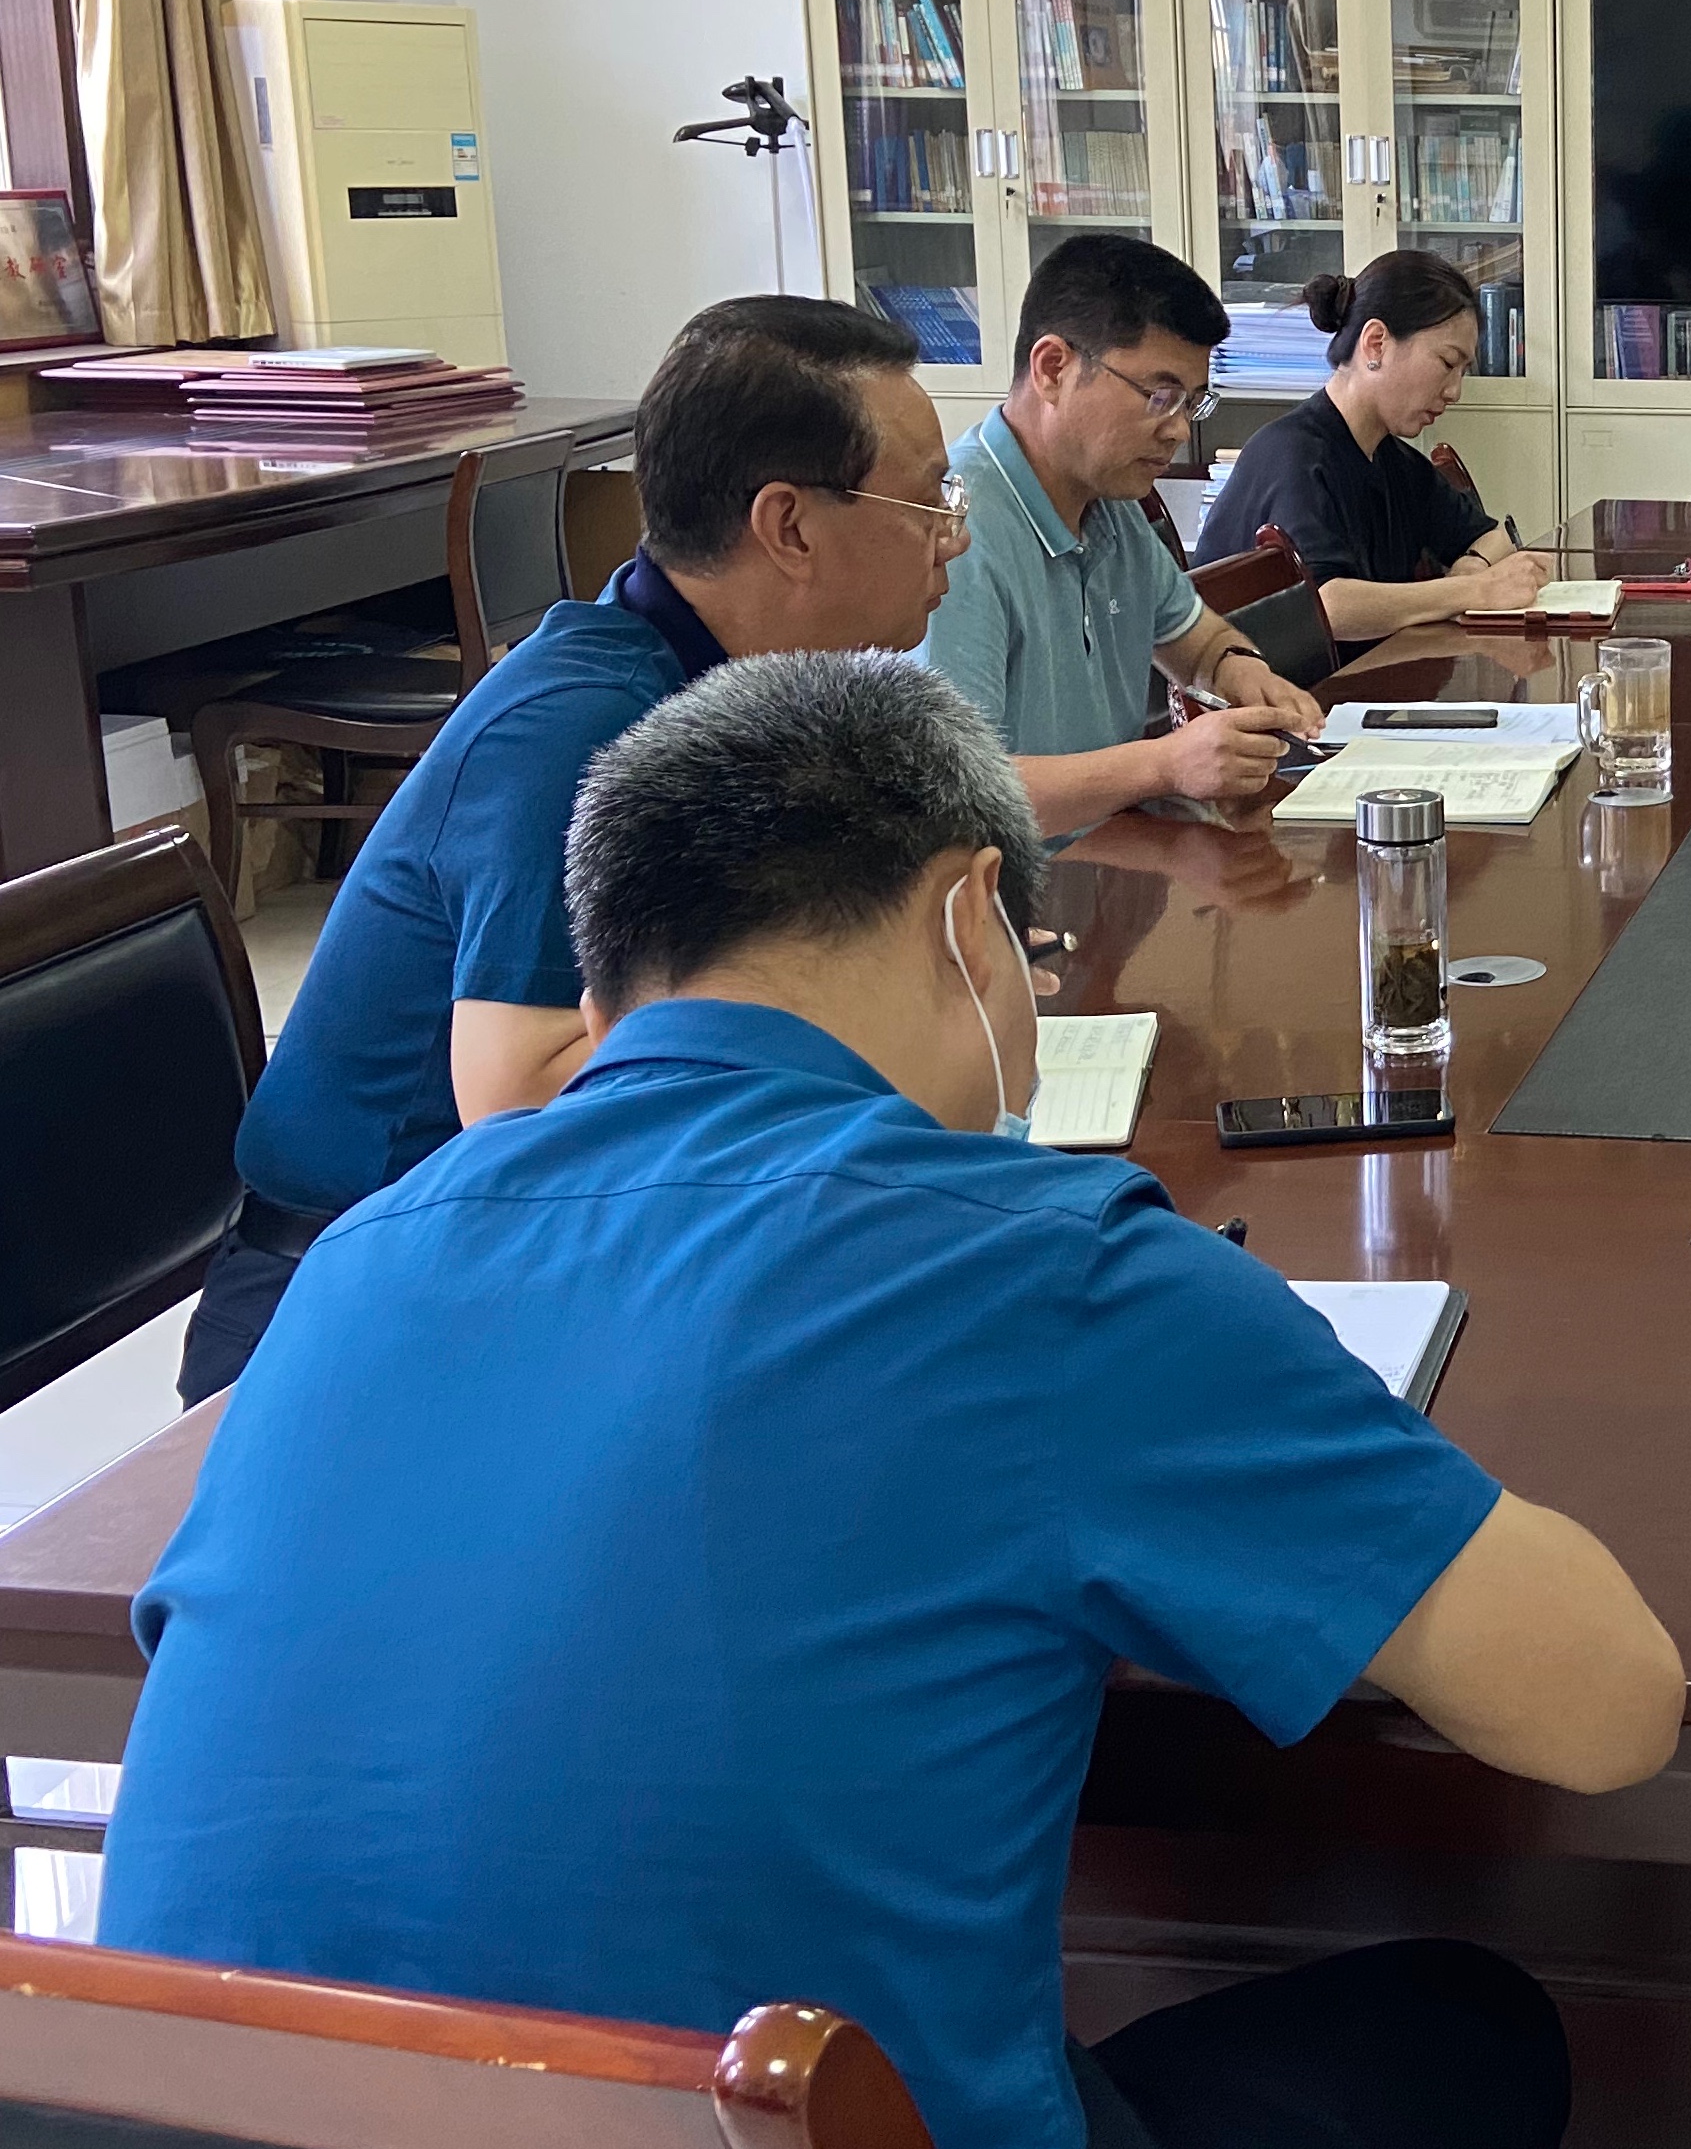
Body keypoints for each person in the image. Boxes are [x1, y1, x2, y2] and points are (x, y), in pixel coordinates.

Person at [103, 650, 1686, 2149]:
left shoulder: (357, 1261)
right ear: (970, 916)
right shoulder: (1043, 1268)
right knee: (1461, 2040)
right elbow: (1606, 1707)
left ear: (604, 985)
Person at [181, 294, 974, 1402]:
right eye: (927, 498)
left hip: (531, 1249)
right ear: (788, 527)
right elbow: (516, 1098)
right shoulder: (582, 724)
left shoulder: (712, 677)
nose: (952, 532)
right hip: (355, 1309)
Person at [920, 235, 1330, 839]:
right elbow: (955, 794)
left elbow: (1196, 641)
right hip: (1014, 881)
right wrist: (1165, 765)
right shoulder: (954, 532)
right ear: (1053, 368)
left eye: (1193, 403)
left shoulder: (1111, 504)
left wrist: (1239, 668)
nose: (1178, 430)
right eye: (1160, 396)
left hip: (1113, 857)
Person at [1198, 251, 1547, 658]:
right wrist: (1472, 590)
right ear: (1376, 343)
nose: (1454, 391)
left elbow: (1495, 536)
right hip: (1279, 691)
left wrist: (1472, 564)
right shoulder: (1294, 455)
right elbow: (1327, 606)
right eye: (1447, 362)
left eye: (1462, 372)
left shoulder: (1392, 459)